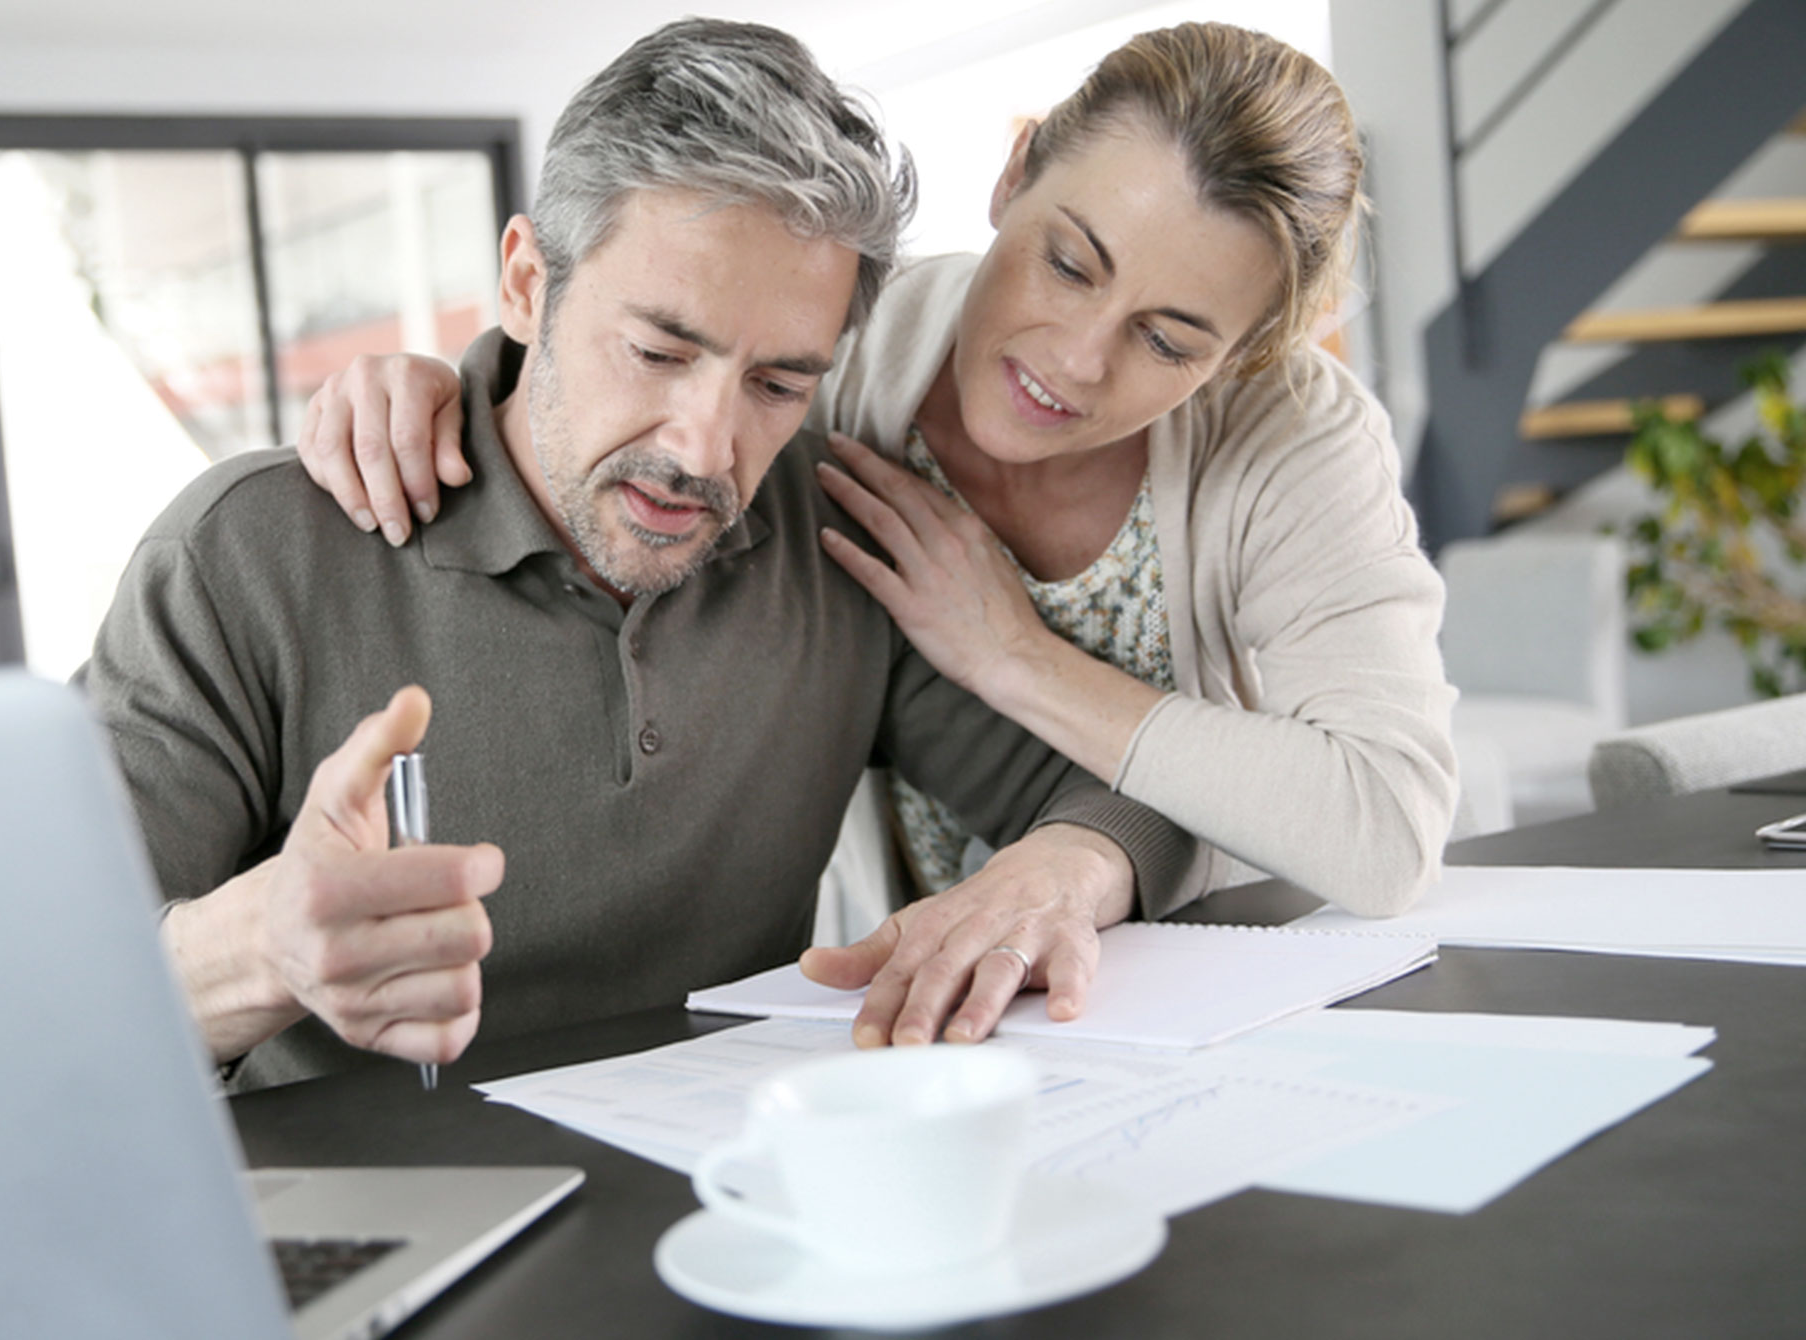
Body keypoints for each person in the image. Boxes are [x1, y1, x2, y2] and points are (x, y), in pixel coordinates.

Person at [76, 19, 1194, 1091]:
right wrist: (259, 950)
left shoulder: (835, 533)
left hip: (732, 1201)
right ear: (525, 283)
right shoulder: (250, 554)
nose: (704, 448)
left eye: (778, 384)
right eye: (659, 350)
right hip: (369, 1232)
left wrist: (1066, 871)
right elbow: (29, 1000)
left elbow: (1119, 792)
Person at [296, 21, 1456, 927]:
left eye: (1168, 340)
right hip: (930, 967)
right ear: (1014, 174)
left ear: (1242, 356)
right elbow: (652, 355)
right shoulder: (837, 353)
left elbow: (1385, 832)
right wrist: (452, 384)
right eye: (1066, 262)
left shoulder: (1293, 437)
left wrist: (1012, 655)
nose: (1074, 357)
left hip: (1218, 955)